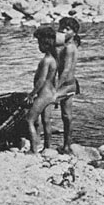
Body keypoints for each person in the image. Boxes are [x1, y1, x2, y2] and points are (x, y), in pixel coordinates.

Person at [25, 26, 58, 154]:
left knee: (30, 119)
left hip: (43, 94)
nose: (38, 46)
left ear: (45, 44)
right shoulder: (54, 60)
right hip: (51, 93)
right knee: (46, 121)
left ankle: (33, 150)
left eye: (39, 43)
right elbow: (52, 80)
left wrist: (32, 94)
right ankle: (47, 148)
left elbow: (41, 80)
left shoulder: (45, 60)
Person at [55, 17, 81, 153]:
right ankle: (66, 145)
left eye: (68, 29)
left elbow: (65, 71)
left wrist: (56, 88)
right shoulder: (67, 46)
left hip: (67, 84)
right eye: (62, 28)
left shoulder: (70, 48)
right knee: (66, 115)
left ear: (74, 33)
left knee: (43, 104)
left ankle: (64, 145)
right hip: (70, 83)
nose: (63, 31)